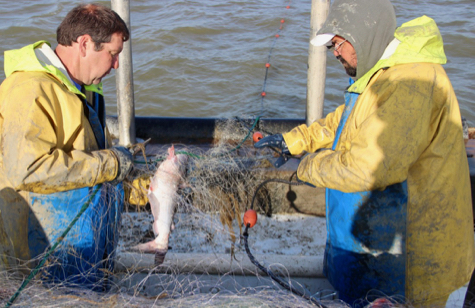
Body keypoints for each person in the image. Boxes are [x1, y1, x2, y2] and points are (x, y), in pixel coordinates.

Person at [255, 0, 474, 306]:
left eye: (337, 44)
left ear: (361, 35)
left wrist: (308, 166)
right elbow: (347, 120)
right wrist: (295, 141)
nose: (335, 53)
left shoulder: (410, 81)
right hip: (377, 252)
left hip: (415, 264)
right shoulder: (382, 71)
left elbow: (368, 168)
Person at [0, 4, 134, 290]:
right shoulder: (30, 90)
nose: (116, 65)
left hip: (83, 237)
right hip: (44, 249)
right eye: (113, 53)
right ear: (84, 44)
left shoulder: (83, 88)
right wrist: (111, 164)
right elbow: (28, 170)